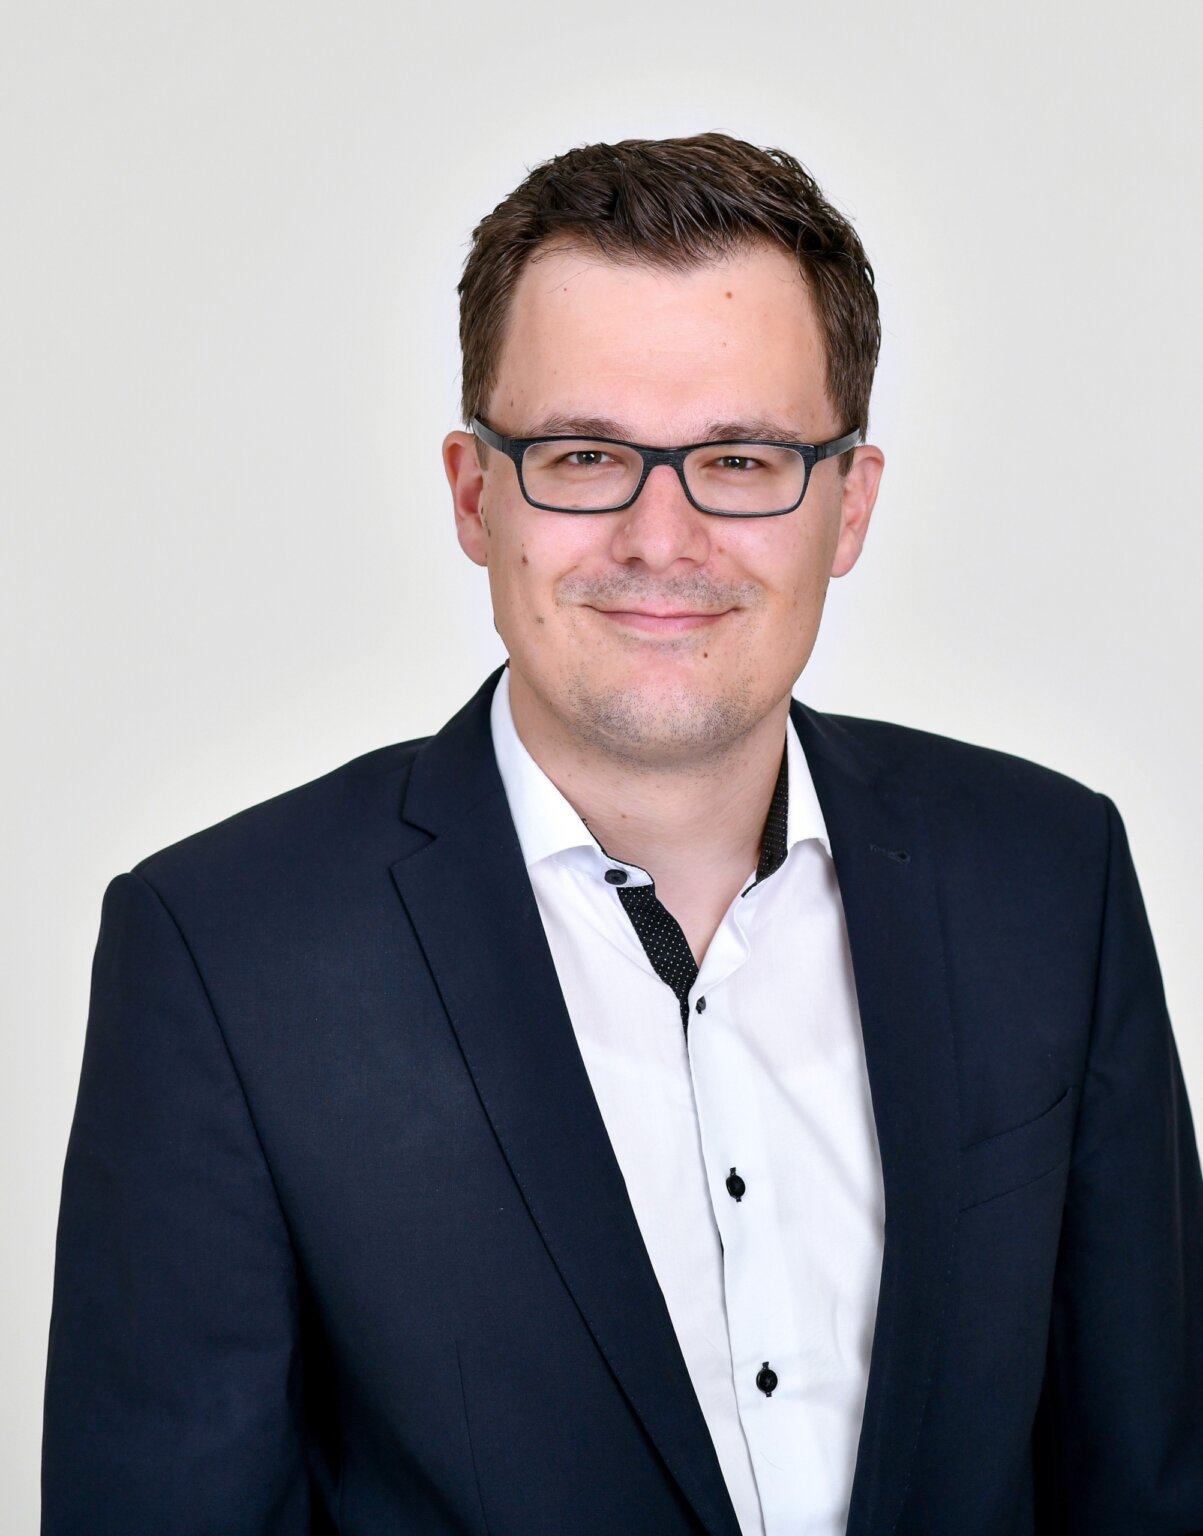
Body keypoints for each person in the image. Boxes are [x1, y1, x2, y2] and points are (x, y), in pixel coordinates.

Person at [42, 134, 1203, 1536]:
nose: (662, 537)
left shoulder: (1053, 878)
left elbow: (1152, 1484)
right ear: (476, 495)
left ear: (850, 506)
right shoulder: (223, 955)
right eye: (584, 456)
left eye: (743, 458)